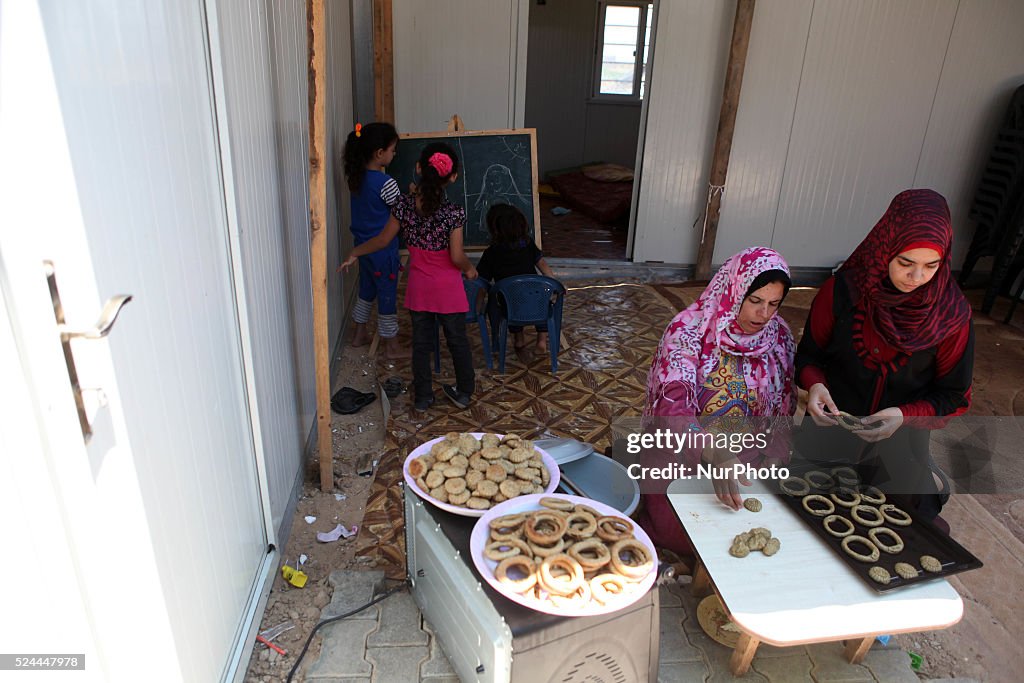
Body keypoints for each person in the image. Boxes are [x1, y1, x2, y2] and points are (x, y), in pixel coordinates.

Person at [795, 189, 973, 525]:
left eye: (930, 265)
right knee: (805, 517)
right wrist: (814, 386)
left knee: (921, 529)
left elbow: (954, 398)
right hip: (829, 431)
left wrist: (904, 416)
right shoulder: (843, 292)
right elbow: (808, 357)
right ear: (884, 247)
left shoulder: (951, 316)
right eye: (905, 262)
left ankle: (928, 479)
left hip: (901, 444)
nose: (917, 277)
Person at [638, 247, 796, 556]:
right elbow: (673, 410)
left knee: (764, 529)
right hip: (683, 455)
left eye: (773, 304)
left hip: (745, 461)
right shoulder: (689, 331)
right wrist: (714, 452)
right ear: (733, 290)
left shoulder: (779, 338)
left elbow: (783, 408)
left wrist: (774, 457)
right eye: (754, 301)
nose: (763, 315)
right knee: (685, 533)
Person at [341, 143, 477, 411]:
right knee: (457, 341)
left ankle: (423, 398)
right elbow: (456, 256)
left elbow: (381, 240)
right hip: (448, 289)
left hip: (420, 288)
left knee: (421, 344)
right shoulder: (454, 213)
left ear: (418, 168)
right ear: (453, 178)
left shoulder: (403, 206)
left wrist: (355, 252)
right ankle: (463, 393)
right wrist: (469, 269)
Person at [342, 121, 409, 359]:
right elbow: (401, 211)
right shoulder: (386, 183)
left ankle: (359, 334)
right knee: (387, 295)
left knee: (366, 290)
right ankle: (391, 345)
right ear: (379, 153)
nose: (395, 154)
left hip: (363, 248)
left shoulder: (356, 179)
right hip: (383, 250)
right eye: (392, 150)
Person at [476, 203, 556, 353]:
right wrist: (554, 287)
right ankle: (541, 341)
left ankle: (519, 339)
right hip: (536, 300)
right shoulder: (528, 244)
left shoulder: (491, 253)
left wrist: (478, 306)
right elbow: (545, 268)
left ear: (494, 229)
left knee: (506, 301)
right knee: (545, 304)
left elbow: (482, 282)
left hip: (511, 304)